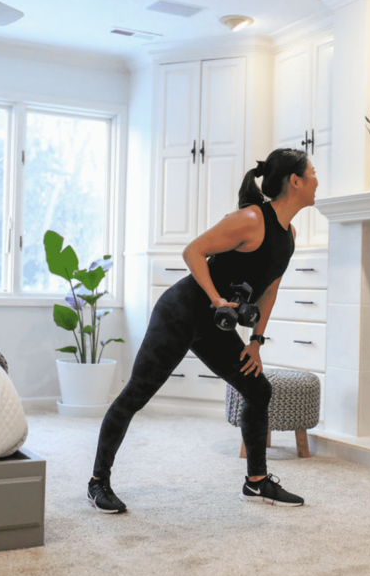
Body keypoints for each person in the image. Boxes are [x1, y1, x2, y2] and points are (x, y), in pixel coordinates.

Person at [87, 148, 318, 513]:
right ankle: (98, 481)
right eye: (313, 174)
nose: (317, 180)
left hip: (214, 324)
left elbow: (270, 289)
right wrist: (217, 299)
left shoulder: (288, 234)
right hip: (181, 311)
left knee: (258, 388)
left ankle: (256, 483)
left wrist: (256, 341)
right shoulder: (251, 219)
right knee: (136, 395)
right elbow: (193, 251)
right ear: (295, 181)